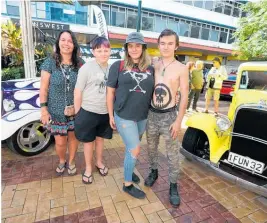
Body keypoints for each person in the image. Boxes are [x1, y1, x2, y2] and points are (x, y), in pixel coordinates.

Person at [106, 32, 154, 199]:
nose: (134, 49)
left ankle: (130, 169)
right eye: (130, 46)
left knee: (131, 148)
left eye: (137, 45)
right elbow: (110, 91)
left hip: (142, 115)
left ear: (143, 48)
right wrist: (110, 114)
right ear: (126, 48)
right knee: (134, 148)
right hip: (124, 115)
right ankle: (127, 184)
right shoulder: (117, 66)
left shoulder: (150, 68)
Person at [145, 29, 189, 207]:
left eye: (170, 43)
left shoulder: (182, 68)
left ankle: (173, 185)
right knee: (151, 148)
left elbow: (185, 95)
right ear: (158, 44)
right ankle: (154, 171)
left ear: (176, 46)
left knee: (172, 154)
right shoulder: (153, 64)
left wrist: (178, 121)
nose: (166, 47)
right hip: (151, 114)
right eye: (163, 43)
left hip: (170, 116)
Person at [40, 30, 84, 176]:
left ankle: (71, 161)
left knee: (73, 139)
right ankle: (61, 160)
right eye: (63, 40)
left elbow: (87, 85)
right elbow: (44, 88)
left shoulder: (80, 64)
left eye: (70, 41)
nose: (66, 43)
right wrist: (44, 110)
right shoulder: (50, 62)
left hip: (76, 111)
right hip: (56, 111)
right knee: (60, 142)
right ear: (58, 43)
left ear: (74, 45)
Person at [74, 37, 113, 184]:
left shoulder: (112, 69)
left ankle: (99, 162)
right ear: (93, 52)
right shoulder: (86, 68)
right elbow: (78, 91)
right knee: (88, 142)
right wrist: (78, 114)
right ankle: (88, 168)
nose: (103, 53)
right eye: (99, 50)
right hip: (88, 111)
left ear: (110, 51)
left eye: (106, 50)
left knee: (100, 140)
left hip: (104, 112)